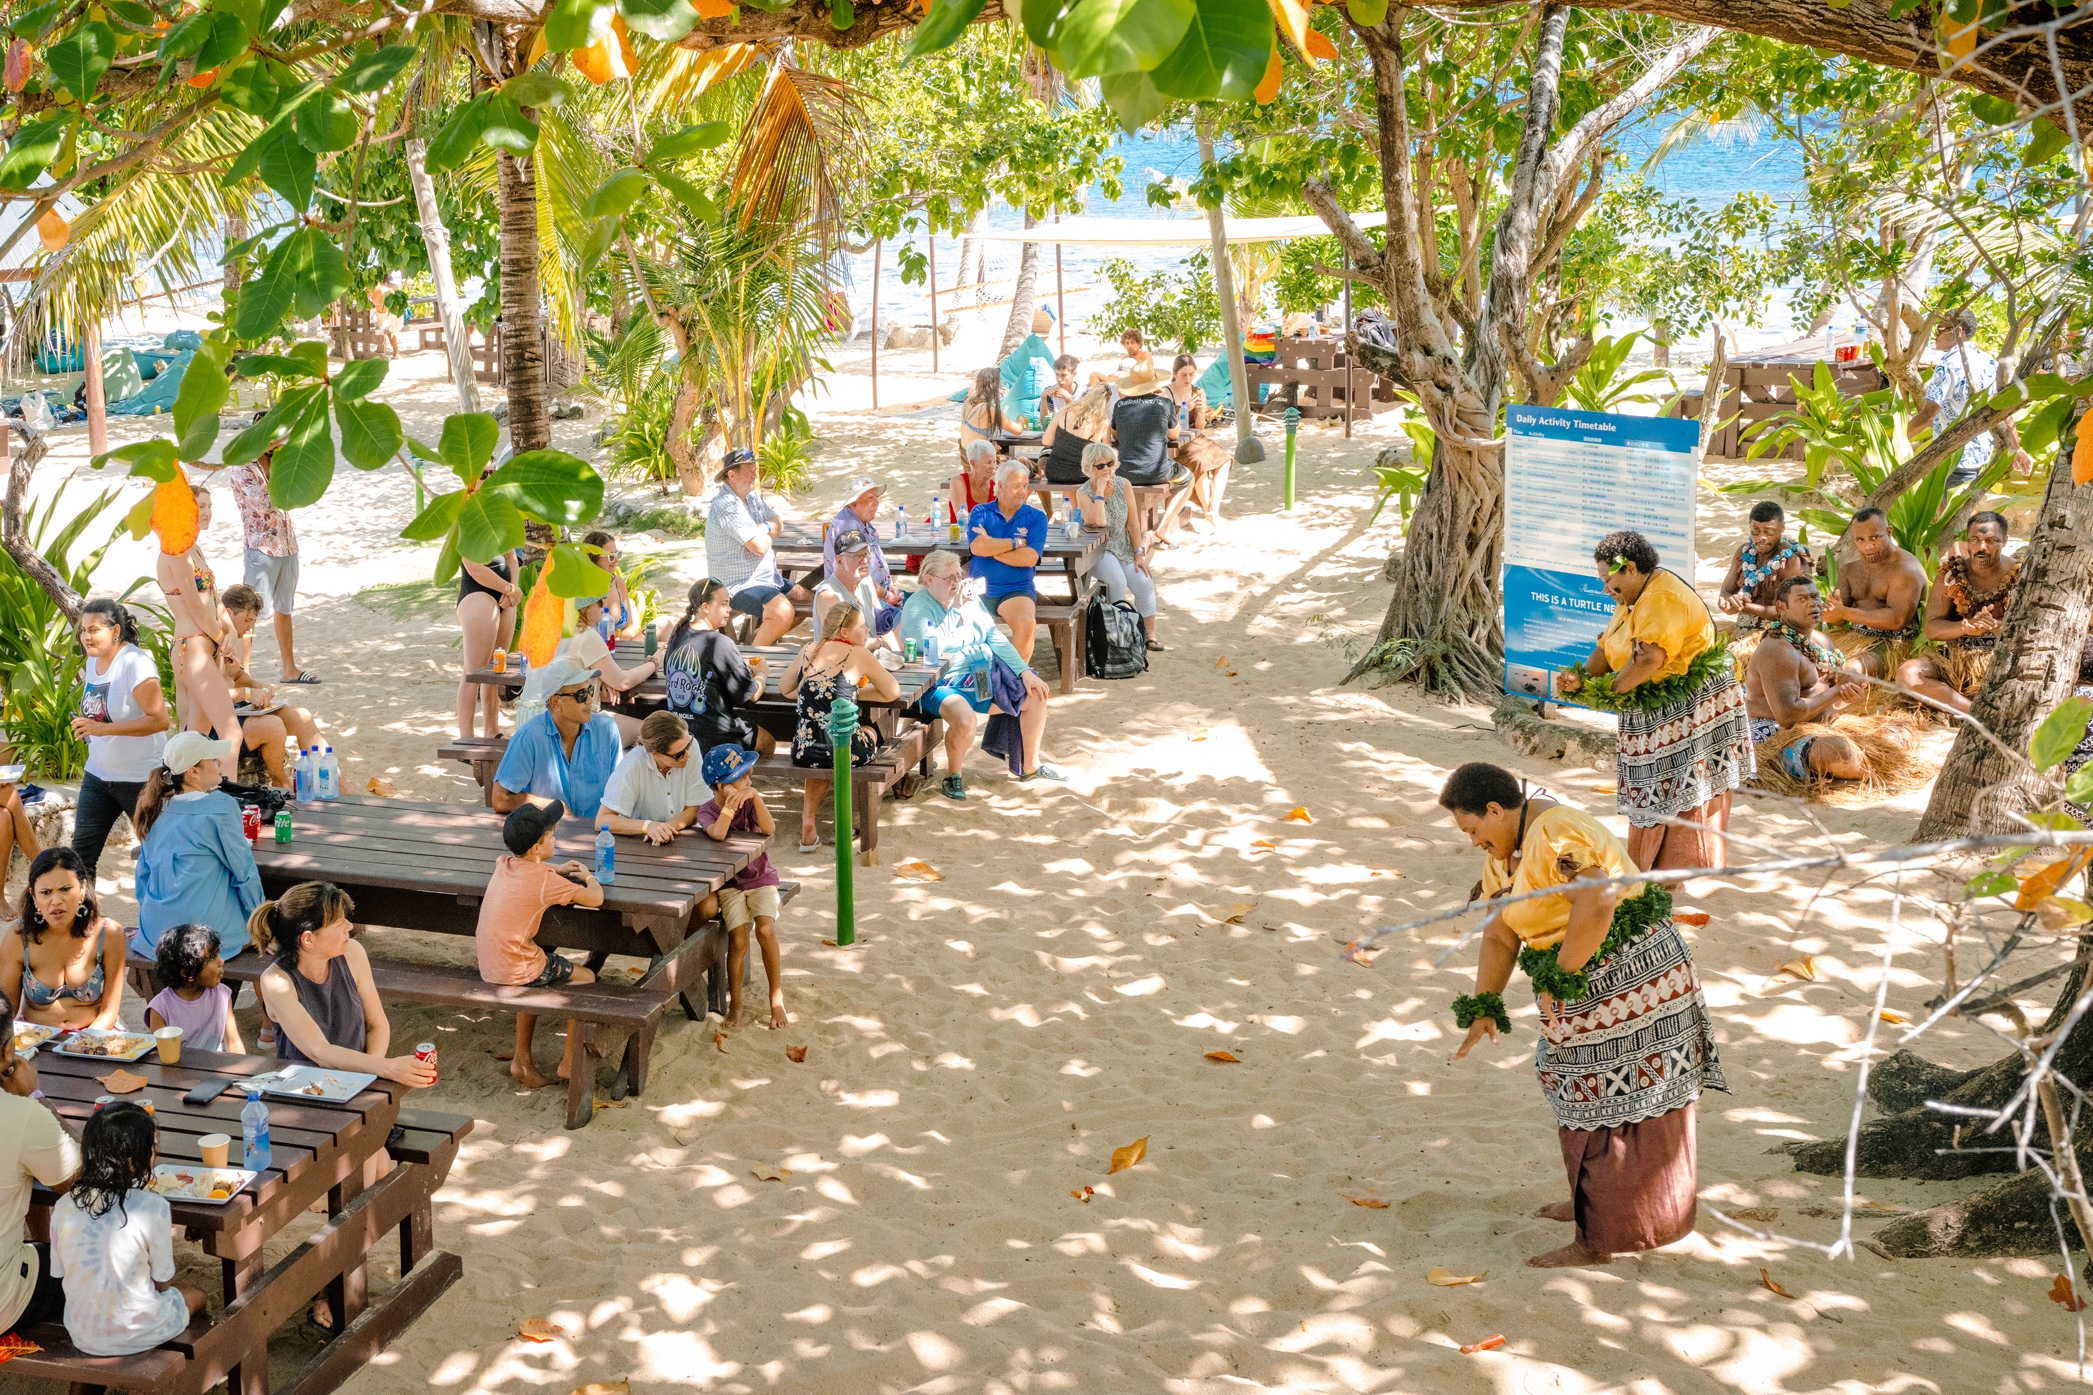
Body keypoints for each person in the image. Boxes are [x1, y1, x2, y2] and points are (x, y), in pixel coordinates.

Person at [1439, 761, 1726, 1269]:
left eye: (1473, 829)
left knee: (1617, 1097)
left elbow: (1597, 897)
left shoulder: (1555, 833)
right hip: (1580, 981)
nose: (1472, 842)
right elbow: (1500, 932)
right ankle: (1589, 1206)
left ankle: (1597, 1240)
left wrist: (1557, 977)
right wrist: (1486, 1004)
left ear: (1494, 809)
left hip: (1632, 978)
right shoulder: (1508, 851)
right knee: (1575, 1089)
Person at [1555, 531, 1754, 871]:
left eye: (1609, 581)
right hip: (1652, 699)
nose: (1606, 589)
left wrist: (1610, 694)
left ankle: (1675, 870)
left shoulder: (1662, 600)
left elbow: (1648, 659)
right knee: (1653, 786)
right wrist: (1583, 679)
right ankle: (1650, 863)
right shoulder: (1631, 596)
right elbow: (1607, 647)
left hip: (1692, 702)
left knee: (1680, 784)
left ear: (1630, 568)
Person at [894, 550, 1062, 798]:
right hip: (939, 682)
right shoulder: (917, 605)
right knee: (965, 720)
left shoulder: (969, 600)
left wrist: (1024, 671)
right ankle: (954, 775)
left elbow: (994, 637)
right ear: (929, 579)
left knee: (1036, 694)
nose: (957, 582)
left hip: (980, 675)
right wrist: (964, 617)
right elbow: (935, 646)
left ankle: (1030, 766)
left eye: (959, 575)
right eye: (949, 577)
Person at [49, 1103, 206, 1356]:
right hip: (138, 1332)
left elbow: (59, 1273)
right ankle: (185, 1365)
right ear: (134, 1161)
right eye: (152, 1145)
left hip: (82, 1333)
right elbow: (163, 1283)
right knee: (196, 1296)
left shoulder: (64, 1206)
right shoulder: (153, 1206)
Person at [253, 883, 435, 1086]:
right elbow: (319, 1051)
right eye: (339, 923)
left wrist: (369, 1074)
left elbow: (377, 1024)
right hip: (306, 1088)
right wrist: (385, 1067)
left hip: (360, 1077)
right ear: (308, 939)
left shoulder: (353, 953)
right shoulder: (276, 981)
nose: (349, 926)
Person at [477, 802, 601, 1089]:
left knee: (541, 963)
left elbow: (533, 875)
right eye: (552, 835)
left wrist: (554, 870)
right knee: (588, 978)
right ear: (536, 848)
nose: (555, 839)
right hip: (518, 968)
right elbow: (595, 899)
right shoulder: (544, 880)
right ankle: (570, 1062)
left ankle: (522, 1060)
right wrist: (589, 877)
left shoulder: (504, 863)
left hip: (491, 962)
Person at [130, 732, 264, 960]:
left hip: (155, 935)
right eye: (213, 760)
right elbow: (244, 872)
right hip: (208, 937)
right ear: (193, 772)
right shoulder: (221, 806)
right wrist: (262, 924)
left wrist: (148, 924)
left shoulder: (154, 807)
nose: (220, 763)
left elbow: (143, 877)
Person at [779, 602, 900, 852]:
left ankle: (808, 822)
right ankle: (848, 818)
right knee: (868, 731)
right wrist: (853, 693)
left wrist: (820, 693)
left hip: (804, 749)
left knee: (821, 744)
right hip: (843, 749)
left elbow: (786, 689)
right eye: (862, 626)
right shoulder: (858, 654)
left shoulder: (809, 649)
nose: (866, 631)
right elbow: (892, 692)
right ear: (844, 632)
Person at [70, 599, 170, 885]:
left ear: (115, 630)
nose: (86, 636)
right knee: (80, 860)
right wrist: (91, 728)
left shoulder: (135, 663)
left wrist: (102, 730)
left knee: (159, 855)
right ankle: (83, 926)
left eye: (93, 630)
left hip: (141, 779)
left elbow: (159, 720)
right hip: (98, 774)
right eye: (82, 630)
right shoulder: (92, 661)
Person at [0, 992, 80, 1339]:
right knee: (93, 1267)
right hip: (5, 1301)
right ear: (7, 1051)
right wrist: (36, 1097)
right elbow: (81, 1183)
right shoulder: (22, 1116)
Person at [1742, 577, 1869, 783]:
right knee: (1839, 751)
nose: (1813, 603)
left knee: (1897, 731)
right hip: (1775, 736)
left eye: (1814, 597)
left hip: (1819, 728)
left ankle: (1863, 766)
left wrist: (1846, 695)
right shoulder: (1776, 649)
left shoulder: (1821, 640)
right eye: (1802, 599)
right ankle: (1869, 770)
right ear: (1782, 607)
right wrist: (1838, 690)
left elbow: (1830, 698)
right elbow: (1787, 716)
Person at [696, 745, 786, 1030]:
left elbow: (770, 829)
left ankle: (776, 998)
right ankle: (736, 1005)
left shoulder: (751, 801)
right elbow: (718, 834)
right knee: (738, 942)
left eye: (749, 776)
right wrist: (728, 807)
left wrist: (755, 796)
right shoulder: (707, 812)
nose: (748, 782)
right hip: (732, 886)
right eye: (742, 778)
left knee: (766, 929)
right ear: (722, 786)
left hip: (761, 878)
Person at [1898, 511, 2020, 715]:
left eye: (1991, 540)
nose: (1981, 547)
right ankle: (1975, 713)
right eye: (1975, 540)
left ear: (2005, 541)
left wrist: (1997, 626)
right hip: (1955, 658)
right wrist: (1965, 627)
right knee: (1907, 675)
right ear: (1967, 540)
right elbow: (1932, 629)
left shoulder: (2019, 574)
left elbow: (2030, 631)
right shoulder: (1951, 574)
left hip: (2001, 658)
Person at [2, 848, 127, 1032]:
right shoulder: (18, 937)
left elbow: (109, 1012)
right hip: (33, 1039)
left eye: (65, 889)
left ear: (83, 888)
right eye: (46, 892)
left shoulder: (109, 934)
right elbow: (6, 1010)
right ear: (33, 896)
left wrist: (82, 1045)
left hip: (97, 1035)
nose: (56, 901)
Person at [223, 440, 314, 684]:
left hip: (288, 545)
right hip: (260, 549)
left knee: (285, 608)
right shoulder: (242, 466)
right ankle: (243, 674)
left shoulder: (279, 459)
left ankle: (289, 669)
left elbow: (298, 492)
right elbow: (265, 504)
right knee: (248, 614)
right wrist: (287, 478)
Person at [156, 480, 239, 744]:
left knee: (195, 735)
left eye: (209, 506)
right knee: (211, 733)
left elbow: (213, 597)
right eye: (200, 506)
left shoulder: (194, 548)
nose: (207, 512)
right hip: (192, 645)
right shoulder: (177, 551)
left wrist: (232, 630)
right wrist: (221, 638)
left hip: (204, 644)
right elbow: (195, 607)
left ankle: (184, 785)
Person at [219, 584, 326, 788]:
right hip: (219, 720)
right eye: (247, 620)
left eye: (254, 622)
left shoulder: (235, 638)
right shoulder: (210, 642)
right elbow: (210, 694)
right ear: (229, 613)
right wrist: (248, 693)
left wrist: (259, 686)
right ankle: (281, 784)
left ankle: (335, 782)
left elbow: (236, 676)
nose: (250, 628)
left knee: (302, 716)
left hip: (237, 709)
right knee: (274, 726)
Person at [514, 593, 659, 744]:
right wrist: (654, 663)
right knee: (652, 733)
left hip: (527, 722)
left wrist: (603, 678)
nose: (604, 605)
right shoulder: (586, 635)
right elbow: (624, 682)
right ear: (584, 607)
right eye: (599, 601)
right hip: (563, 724)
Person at [491, 658, 624, 821]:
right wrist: (554, 806)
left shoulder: (607, 730)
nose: (590, 700)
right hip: (548, 833)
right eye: (581, 695)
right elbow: (500, 799)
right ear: (555, 702)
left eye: (589, 690)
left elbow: (620, 791)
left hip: (598, 832)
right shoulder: (530, 737)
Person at [1913, 307, 2032, 486]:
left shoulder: (1947, 366)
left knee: (1946, 513)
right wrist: (2016, 447)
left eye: (1940, 330)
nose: (1935, 335)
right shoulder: (1988, 361)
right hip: (1980, 456)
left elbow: (1927, 416)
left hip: (1951, 459)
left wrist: (1890, 443)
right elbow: (2002, 408)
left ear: (1958, 331)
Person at [660, 578, 774, 755]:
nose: (729, 609)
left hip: (679, 731)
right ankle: (738, 779)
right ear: (705, 607)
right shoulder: (719, 643)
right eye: (724, 604)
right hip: (715, 736)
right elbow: (752, 695)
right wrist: (762, 674)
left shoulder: (678, 632)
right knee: (768, 742)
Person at [706, 449, 807, 647]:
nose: (755, 474)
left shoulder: (751, 497)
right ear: (731, 475)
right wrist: (768, 532)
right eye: (749, 470)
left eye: (755, 469)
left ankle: (761, 639)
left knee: (810, 601)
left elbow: (779, 522)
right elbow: (760, 546)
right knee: (783, 611)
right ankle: (752, 659)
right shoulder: (727, 505)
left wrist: (764, 527)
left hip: (765, 578)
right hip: (736, 585)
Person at [1075, 443, 1162, 651]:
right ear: (1089, 468)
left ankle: (1148, 635)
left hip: (1123, 546)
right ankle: (1118, 635)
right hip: (1099, 549)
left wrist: (1138, 552)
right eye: (1100, 466)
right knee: (1117, 581)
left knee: (1144, 580)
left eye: (1110, 463)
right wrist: (1100, 495)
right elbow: (1098, 522)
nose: (1106, 469)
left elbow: (1133, 523)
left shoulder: (1124, 484)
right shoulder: (1083, 492)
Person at [1822, 507, 1927, 679]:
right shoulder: (1850, 568)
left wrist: (1845, 612)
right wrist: (1829, 614)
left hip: (1893, 644)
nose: (1868, 546)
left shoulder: (1906, 570)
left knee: (1847, 672)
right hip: (1853, 637)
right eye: (1860, 540)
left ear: (1889, 531)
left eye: (1874, 538)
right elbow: (1839, 620)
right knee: (1797, 653)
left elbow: (1897, 620)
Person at [968, 460, 1049, 663]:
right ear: (1000, 486)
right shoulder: (980, 512)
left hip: (1017, 588)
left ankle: (1015, 680)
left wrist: (991, 548)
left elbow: (1030, 558)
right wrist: (1016, 542)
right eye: (1015, 486)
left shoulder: (1036, 517)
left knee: (1026, 623)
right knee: (962, 628)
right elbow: (977, 547)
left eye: (1024, 486)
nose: (1022, 492)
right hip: (979, 588)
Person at [597, 712, 712, 845]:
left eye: (688, 745)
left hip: (681, 838)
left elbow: (696, 807)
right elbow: (602, 820)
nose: (688, 755)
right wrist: (648, 826)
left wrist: (665, 829)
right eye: (679, 754)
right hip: (639, 843)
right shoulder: (633, 764)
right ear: (655, 753)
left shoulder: (690, 748)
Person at [455, 533, 521, 740]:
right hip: (478, 595)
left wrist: (514, 590)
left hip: (506, 597)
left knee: (496, 670)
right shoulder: (468, 523)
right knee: (473, 673)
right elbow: (473, 566)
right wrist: (508, 588)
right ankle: (467, 738)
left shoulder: (500, 522)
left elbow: (511, 556)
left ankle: (492, 730)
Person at [1716, 501, 1811, 640]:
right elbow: (1726, 592)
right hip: (1742, 633)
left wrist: (1745, 607)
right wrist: (1728, 602)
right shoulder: (1744, 552)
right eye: (1756, 531)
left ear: (1782, 527)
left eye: (1769, 531)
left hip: (1779, 639)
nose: (1761, 537)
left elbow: (1793, 611)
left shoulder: (1793, 560)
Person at [144, 922, 242, 1053]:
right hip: (178, 1071)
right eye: (212, 958)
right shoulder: (160, 1007)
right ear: (188, 974)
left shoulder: (222, 994)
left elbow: (233, 1041)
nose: (221, 961)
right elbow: (160, 1053)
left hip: (215, 1068)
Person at [822, 478, 905, 611]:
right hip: (855, 601)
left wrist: (890, 588)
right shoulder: (849, 529)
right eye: (869, 499)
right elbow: (860, 577)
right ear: (853, 504)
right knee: (910, 615)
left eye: (876, 497)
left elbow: (876, 565)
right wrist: (887, 595)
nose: (876, 503)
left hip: (876, 594)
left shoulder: (861, 522)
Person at [815, 530, 899, 646]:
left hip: (870, 658)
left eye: (866, 554)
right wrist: (879, 644)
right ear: (839, 561)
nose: (865, 561)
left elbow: (884, 629)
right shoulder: (828, 595)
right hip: (844, 661)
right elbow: (839, 644)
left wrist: (896, 654)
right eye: (858, 556)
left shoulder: (866, 582)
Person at [580, 530, 644, 648]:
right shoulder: (580, 588)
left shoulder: (618, 583)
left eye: (617, 554)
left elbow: (628, 627)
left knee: (663, 624)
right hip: (592, 652)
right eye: (610, 556)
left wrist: (624, 649)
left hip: (618, 649)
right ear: (593, 558)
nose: (616, 560)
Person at [1040, 386, 1111, 487]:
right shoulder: (1103, 423)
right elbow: (1107, 452)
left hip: (1054, 472)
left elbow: (1046, 441)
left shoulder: (1065, 412)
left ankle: (1068, 503)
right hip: (1082, 475)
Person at [945, 439, 1002, 540]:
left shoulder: (995, 483)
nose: (993, 467)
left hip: (989, 538)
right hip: (961, 538)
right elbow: (964, 519)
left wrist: (1001, 488)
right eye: (988, 462)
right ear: (973, 463)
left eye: (994, 461)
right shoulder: (958, 482)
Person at [959, 366, 1017, 463]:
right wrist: (1021, 417)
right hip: (980, 462)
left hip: (966, 458)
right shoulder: (989, 409)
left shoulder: (967, 401)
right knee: (1023, 463)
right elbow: (1017, 430)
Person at [1039, 354, 1080, 424]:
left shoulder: (1084, 392)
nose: (1059, 379)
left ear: (1074, 374)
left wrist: (1069, 400)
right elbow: (1044, 423)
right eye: (1057, 374)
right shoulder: (1050, 392)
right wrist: (1043, 398)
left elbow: (1080, 423)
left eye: (1063, 375)